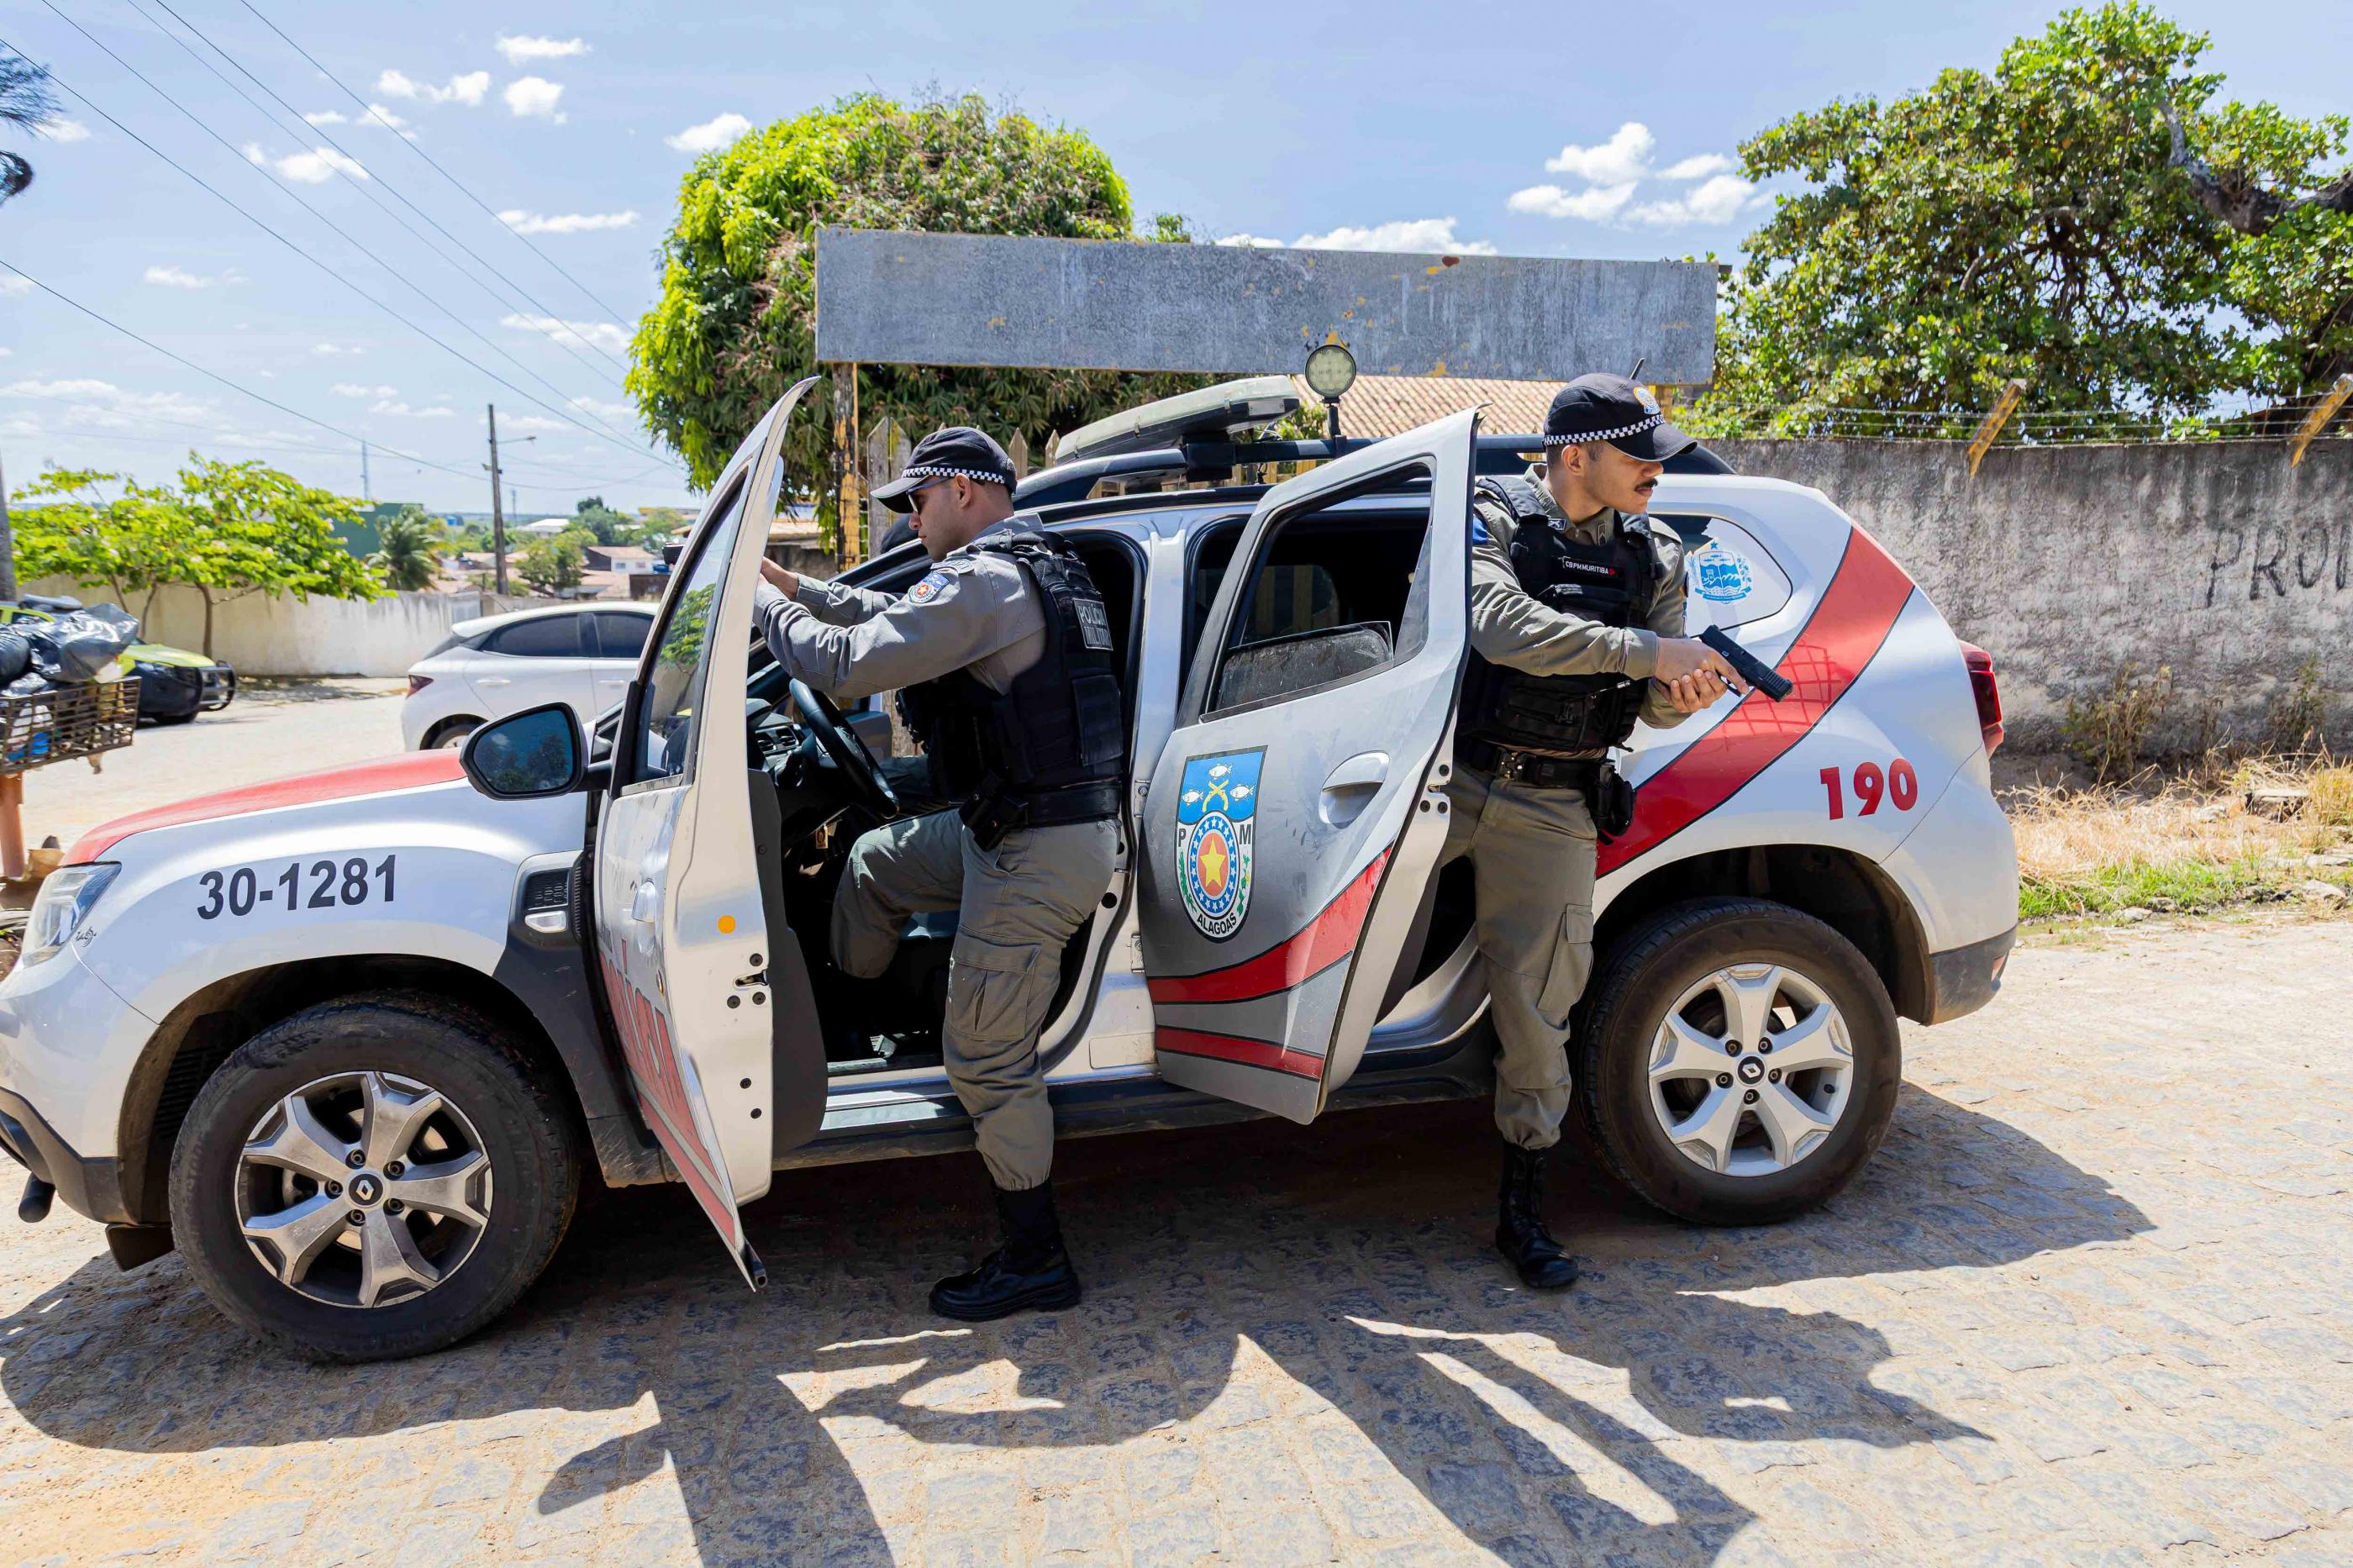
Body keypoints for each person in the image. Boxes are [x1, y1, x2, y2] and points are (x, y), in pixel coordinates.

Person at [752, 427, 1125, 1320]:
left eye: (915, 502)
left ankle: (1036, 1259)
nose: (910, 521)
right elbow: (879, 622)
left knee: (988, 1061)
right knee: (875, 862)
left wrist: (754, 611)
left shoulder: (987, 580)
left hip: (1039, 850)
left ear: (962, 490)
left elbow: (843, 664)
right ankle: (870, 1015)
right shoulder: (1023, 567)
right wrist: (791, 587)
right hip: (1009, 826)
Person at [1450, 374, 1744, 1290]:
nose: (1657, 472)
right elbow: (1495, 625)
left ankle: (1523, 1212)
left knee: (1539, 1010)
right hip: (1441, 781)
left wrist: (1677, 688)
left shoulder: (1655, 553)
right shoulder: (1490, 516)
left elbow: (1653, 711)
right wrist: (1650, 656)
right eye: (1638, 456)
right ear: (1575, 457)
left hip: (1554, 800)